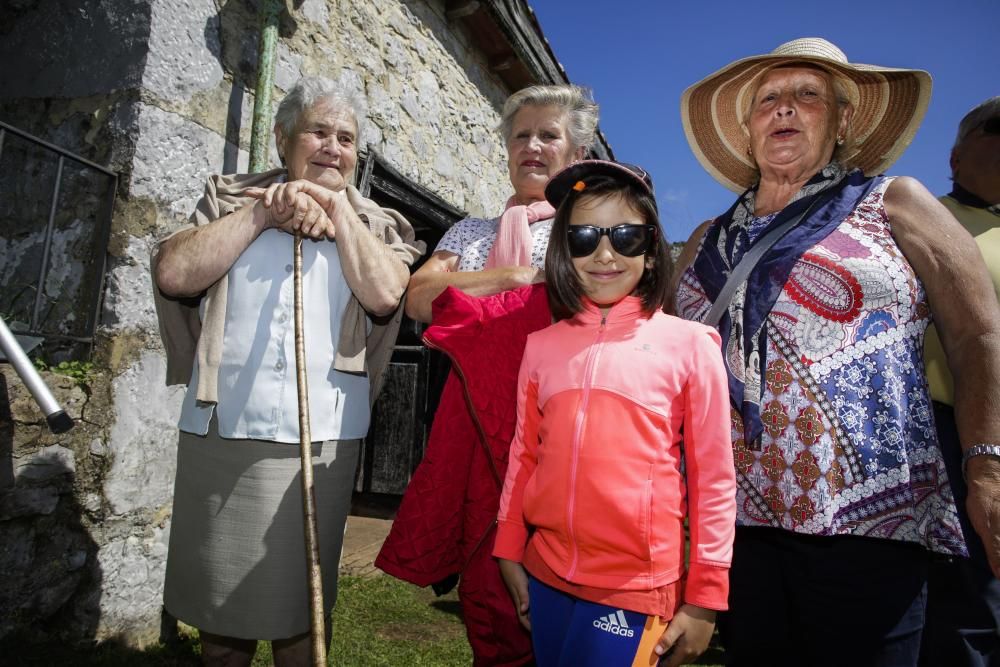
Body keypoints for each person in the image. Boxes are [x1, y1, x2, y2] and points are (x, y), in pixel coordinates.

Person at [672, 38, 1000, 666]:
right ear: (748, 126)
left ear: (843, 120)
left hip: (869, 522)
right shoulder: (705, 240)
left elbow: (976, 333)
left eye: (807, 95)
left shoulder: (895, 201)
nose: (785, 109)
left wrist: (985, 465)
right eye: (769, 98)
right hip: (734, 520)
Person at [151, 76, 422, 666]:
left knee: (302, 611)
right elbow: (174, 273)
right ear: (282, 139)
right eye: (317, 132)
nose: (332, 147)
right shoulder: (229, 199)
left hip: (322, 438)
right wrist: (264, 215)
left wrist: (336, 212)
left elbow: (383, 295)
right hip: (222, 432)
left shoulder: (379, 224)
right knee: (221, 617)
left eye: (345, 139)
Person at [376, 84, 599, 666]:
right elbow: (420, 295)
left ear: (575, 154)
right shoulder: (470, 233)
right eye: (520, 135)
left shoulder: (589, 228)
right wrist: (512, 280)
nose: (532, 146)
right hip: (473, 421)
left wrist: (469, 292)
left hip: (559, 429)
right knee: (489, 591)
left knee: (559, 577)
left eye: (548, 135)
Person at [494, 159, 736, 667]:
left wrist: (706, 597)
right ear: (565, 250)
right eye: (584, 236)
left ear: (651, 251)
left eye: (625, 235)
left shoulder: (691, 345)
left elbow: (714, 480)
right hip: (543, 574)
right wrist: (509, 546)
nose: (604, 253)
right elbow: (524, 455)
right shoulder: (540, 346)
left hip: (636, 589)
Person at [920, 96, 1000, 667]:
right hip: (924, 431)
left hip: (992, 441)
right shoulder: (916, 218)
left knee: (980, 607)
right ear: (956, 154)